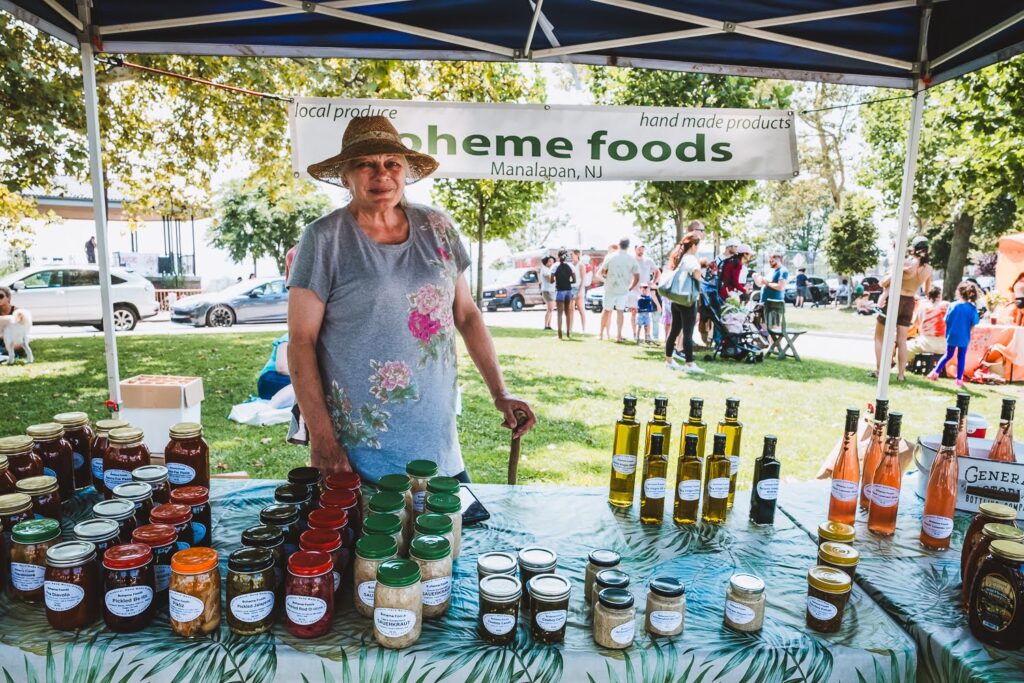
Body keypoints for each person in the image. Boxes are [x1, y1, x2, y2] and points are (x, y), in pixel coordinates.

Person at [287, 115, 536, 481]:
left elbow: (466, 316)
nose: (381, 174)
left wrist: (501, 393)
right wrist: (323, 439)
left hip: (436, 441)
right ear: (345, 176)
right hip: (356, 448)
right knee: (371, 539)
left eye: (392, 163)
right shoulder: (323, 239)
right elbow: (301, 342)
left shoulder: (438, 227)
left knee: (443, 536)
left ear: (405, 171)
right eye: (365, 165)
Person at [872, 235, 934, 382]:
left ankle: (880, 371)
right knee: (902, 341)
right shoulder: (929, 269)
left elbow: (884, 283)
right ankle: (901, 375)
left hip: (894, 299)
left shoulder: (906, 263)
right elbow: (927, 290)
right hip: (910, 302)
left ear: (913, 249)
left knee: (879, 337)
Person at [664, 232, 704, 373]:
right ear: (693, 245)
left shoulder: (679, 258)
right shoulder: (691, 258)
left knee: (674, 330)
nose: (698, 248)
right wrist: (699, 279)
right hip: (688, 300)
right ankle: (689, 364)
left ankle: (669, 360)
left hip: (677, 299)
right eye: (698, 245)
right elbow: (697, 272)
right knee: (688, 333)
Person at [928, 281, 980, 387]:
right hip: (964, 335)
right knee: (961, 357)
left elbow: (947, 320)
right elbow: (974, 323)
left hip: (952, 334)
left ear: (959, 292)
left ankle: (935, 372)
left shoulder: (953, 305)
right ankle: (959, 379)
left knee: (948, 355)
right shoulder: (972, 308)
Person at [600, 238, 640, 343]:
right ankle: (618, 336)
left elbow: (603, 271)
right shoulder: (631, 259)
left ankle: (600, 334)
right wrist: (630, 287)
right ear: (628, 246)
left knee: (606, 310)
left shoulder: (610, 256)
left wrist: (609, 277)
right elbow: (637, 277)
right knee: (620, 312)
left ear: (619, 244)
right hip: (623, 289)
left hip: (610, 287)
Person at [906, 286, 948, 366]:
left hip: (925, 344)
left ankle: (901, 366)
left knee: (905, 347)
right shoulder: (947, 306)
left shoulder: (922, 306)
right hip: (945, 345)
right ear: (940, 295)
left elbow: (915, 325)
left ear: (927, 296)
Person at [631, 244, 659, 338]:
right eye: (639, 249)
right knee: (634, 312)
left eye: (642, 249)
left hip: (645, 291)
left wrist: (653, 282)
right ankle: (635, 334)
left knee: (647, 313)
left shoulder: (648, 260)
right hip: (634, 290)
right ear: (635, 249)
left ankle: (647, 335)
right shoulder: (631, 260)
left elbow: (657, 271)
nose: (640, 251)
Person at [553, 249, 576, 340]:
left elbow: (551, 280)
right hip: (568, 291)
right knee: (568, 313)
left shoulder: (555, 266)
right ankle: (568, 333)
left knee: (559, 313)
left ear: (558, 257)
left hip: (560, 291)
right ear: (566, 256)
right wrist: (568, 281)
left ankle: (559, 335)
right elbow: (574, 280)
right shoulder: (571, 266)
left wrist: (557, 279)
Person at [571, 249, 587, 333]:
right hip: (571, 288)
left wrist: (580, 291)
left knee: (581, 309)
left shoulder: (581, 265)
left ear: (577, 254)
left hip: (578, 288)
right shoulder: (570, 265)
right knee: (571, 309)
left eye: (572, 254)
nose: (570, 256)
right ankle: (570, 329)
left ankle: (583, 329)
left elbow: (583, 279)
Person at [540, 256, 556, 330]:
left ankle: (549, 325)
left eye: (552, 261)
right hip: (547, 291)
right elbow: (550, 280)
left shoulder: (550, 269)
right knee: (550, 308)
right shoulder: (545, 269)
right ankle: (546, 325)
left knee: (551, 309)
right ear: (546, 262)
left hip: (551, 290)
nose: (551, 263)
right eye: (550, 261)